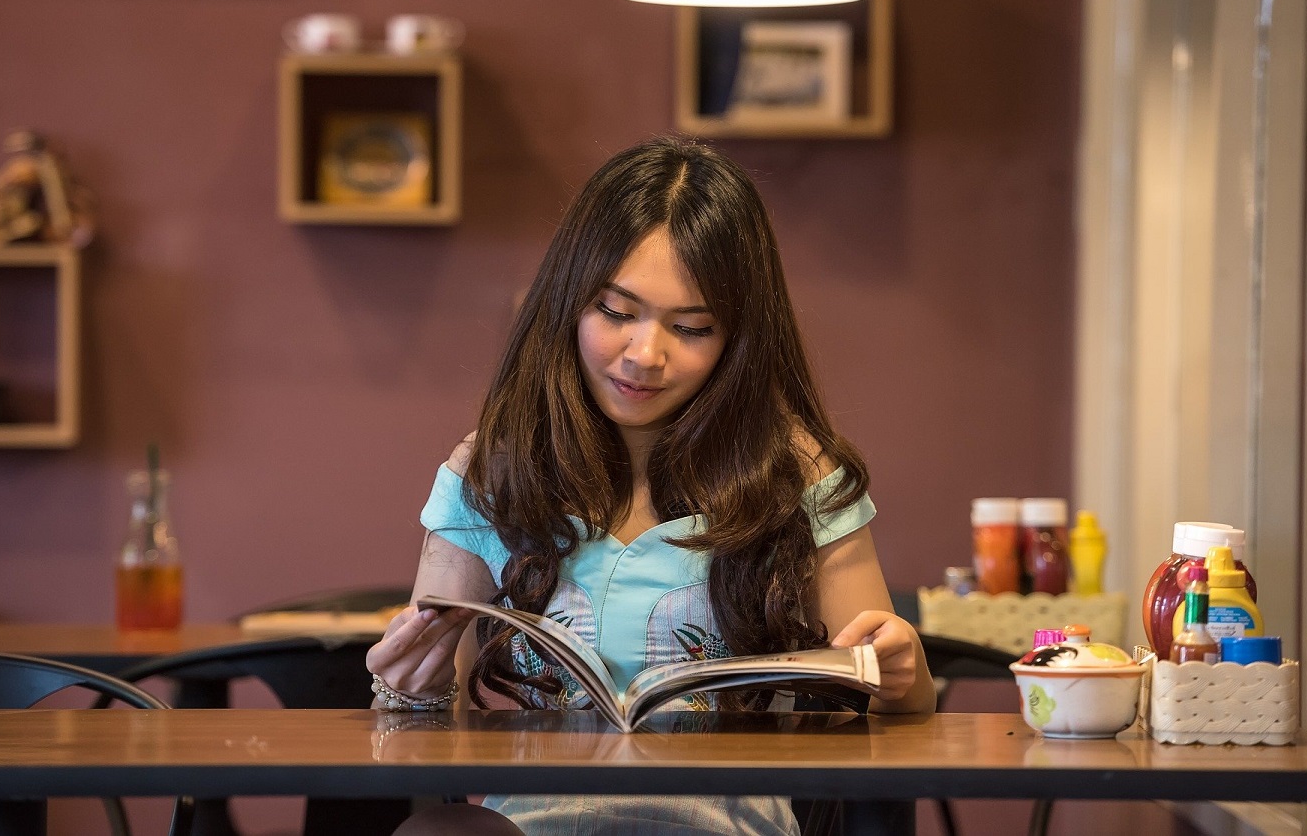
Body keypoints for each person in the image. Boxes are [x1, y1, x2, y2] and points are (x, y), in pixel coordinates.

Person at [366, 134, 936, 836]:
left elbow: (893, 701)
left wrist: (903, 672)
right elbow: (421, 737)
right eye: (615, 312)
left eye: (691, 327)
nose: (645, 356)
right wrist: (406, 692)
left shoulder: (800, 473)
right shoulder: (492, 472)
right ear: (569, 302)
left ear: (737, 340)